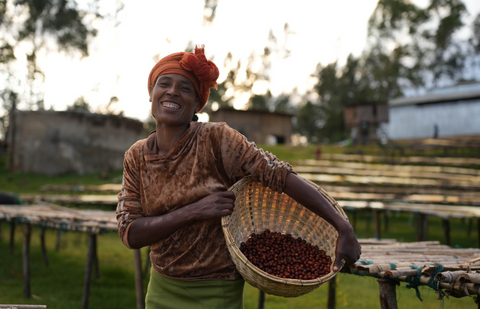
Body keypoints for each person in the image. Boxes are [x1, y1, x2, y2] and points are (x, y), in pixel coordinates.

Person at [116, 45, 361, 308]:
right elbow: (130, 232)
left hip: (217, 290)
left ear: (198, 103)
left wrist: (342, 226)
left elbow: (278, 174)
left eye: (185, 88)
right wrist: (195, 210)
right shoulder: (137, 156)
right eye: (164, 83)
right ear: (151, 93)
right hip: (162, 287)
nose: (173, 90)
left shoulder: (216, 139)